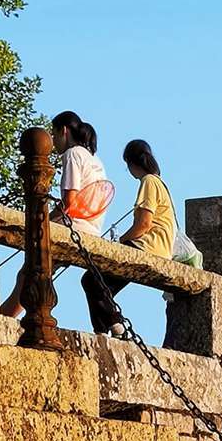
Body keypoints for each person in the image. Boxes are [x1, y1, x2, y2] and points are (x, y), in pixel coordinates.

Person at [0, 110, 112, 317]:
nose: (53, 142)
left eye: (54, 134)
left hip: (73, 227)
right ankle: (11, 314)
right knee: (38, 274)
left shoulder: (72, 154)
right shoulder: (95, 159)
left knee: (29, 273)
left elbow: (69, 201)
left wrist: (45, 220)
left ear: (64, 131)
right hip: (93, 229)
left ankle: (4, 316)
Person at [81, 139, 176, 336]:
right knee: (99, 284)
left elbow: (144, 224)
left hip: (148, 246)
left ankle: (114, 327)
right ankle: (104, 329)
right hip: (161, 248)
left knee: (91, 279)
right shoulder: (160, 183)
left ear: (131, 163)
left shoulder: (149, 181)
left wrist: (120, 242)